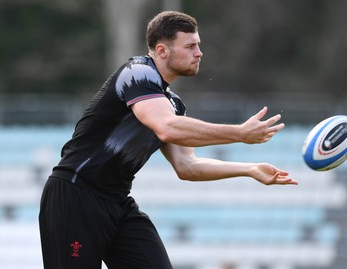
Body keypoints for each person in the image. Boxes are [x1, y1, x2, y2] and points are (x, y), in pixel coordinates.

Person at [39, 10, 298, 269]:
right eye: (190, 46)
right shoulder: (137, 73)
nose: (199, 53)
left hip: (117, 202)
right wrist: (239, 134)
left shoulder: (173, 104)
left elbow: (187, 167)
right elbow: (167, 128)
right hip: (75, 196)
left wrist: (249, 169)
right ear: (162, 51)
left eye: (198, 45)